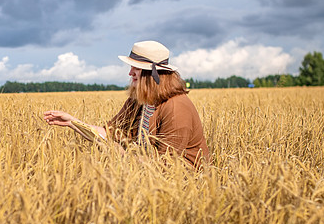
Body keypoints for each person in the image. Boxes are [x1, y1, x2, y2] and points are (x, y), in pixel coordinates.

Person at [43, 40, 210, 169]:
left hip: (185, 185)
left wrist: (122, 156)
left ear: (152, 73)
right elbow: (109, 133)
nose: (130, 73)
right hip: (144, 173)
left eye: (135, 68)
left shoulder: (176, 108)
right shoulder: (138, 101)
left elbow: (167, 166)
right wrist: (71, 122)